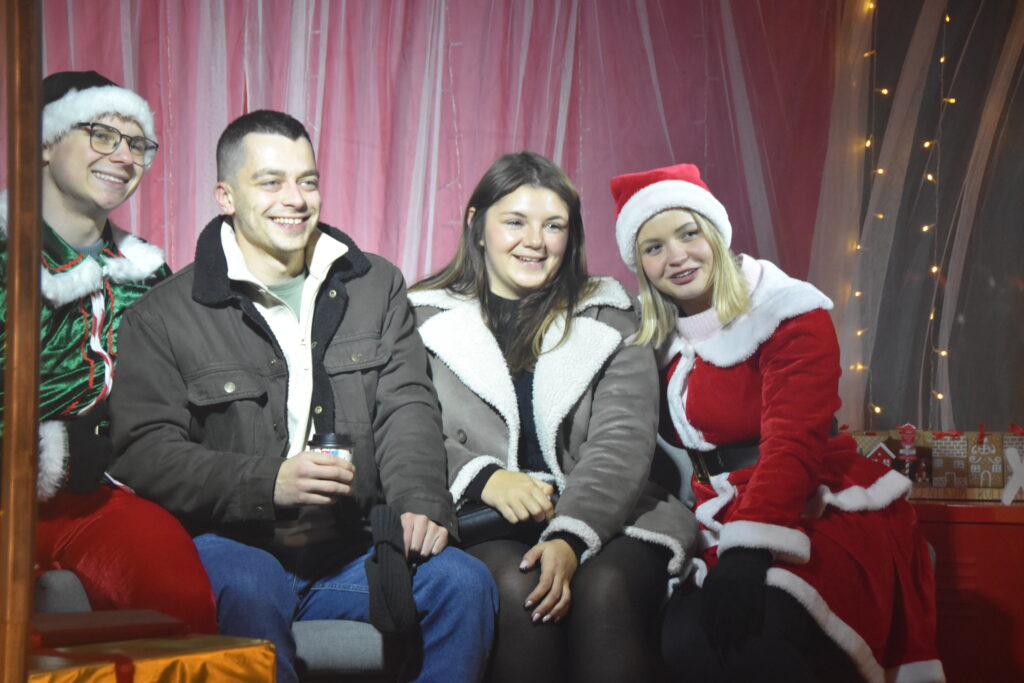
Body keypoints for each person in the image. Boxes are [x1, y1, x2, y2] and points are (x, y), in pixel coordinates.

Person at [108, 110, 496, 683]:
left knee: (464, 583)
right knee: (251, 582)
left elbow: (407, 408)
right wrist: (269, 482)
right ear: (226, 196)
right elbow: (143, 453)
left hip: (350, 549)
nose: (295, 199)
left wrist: (420, 503)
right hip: (229, 548)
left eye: (307, 181)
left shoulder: (376, 285)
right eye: (271, 182)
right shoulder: (162, 315)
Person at [609, 162, 945, 682]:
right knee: (682, 641)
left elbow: (793, 445)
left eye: (688, 234)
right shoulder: (655, 335)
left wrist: (749, 549)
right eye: (654, 247)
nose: (676, 256)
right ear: (640, 264)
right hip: (717, 512)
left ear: (715, 233)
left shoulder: (787, 311)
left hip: (814, 503)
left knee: (755, 636)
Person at [409, 151, 696, 683]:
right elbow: (406, 429)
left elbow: (623, 440)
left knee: (604, 587)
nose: (535, 242)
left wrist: (571, 537)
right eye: (515, 222)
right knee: (521, 587)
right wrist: (484, 477)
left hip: (610, 514)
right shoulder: (420, 317)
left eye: (554, 225)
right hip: (481, 518)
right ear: (477, 225)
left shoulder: (612, 314)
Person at [0, 70, 216, 633]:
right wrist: (49, 448)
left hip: (102, 502)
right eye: (102, 135)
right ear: (44, 144)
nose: (124, 157)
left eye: (137, 144)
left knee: (181, 601)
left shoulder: (150, 274)